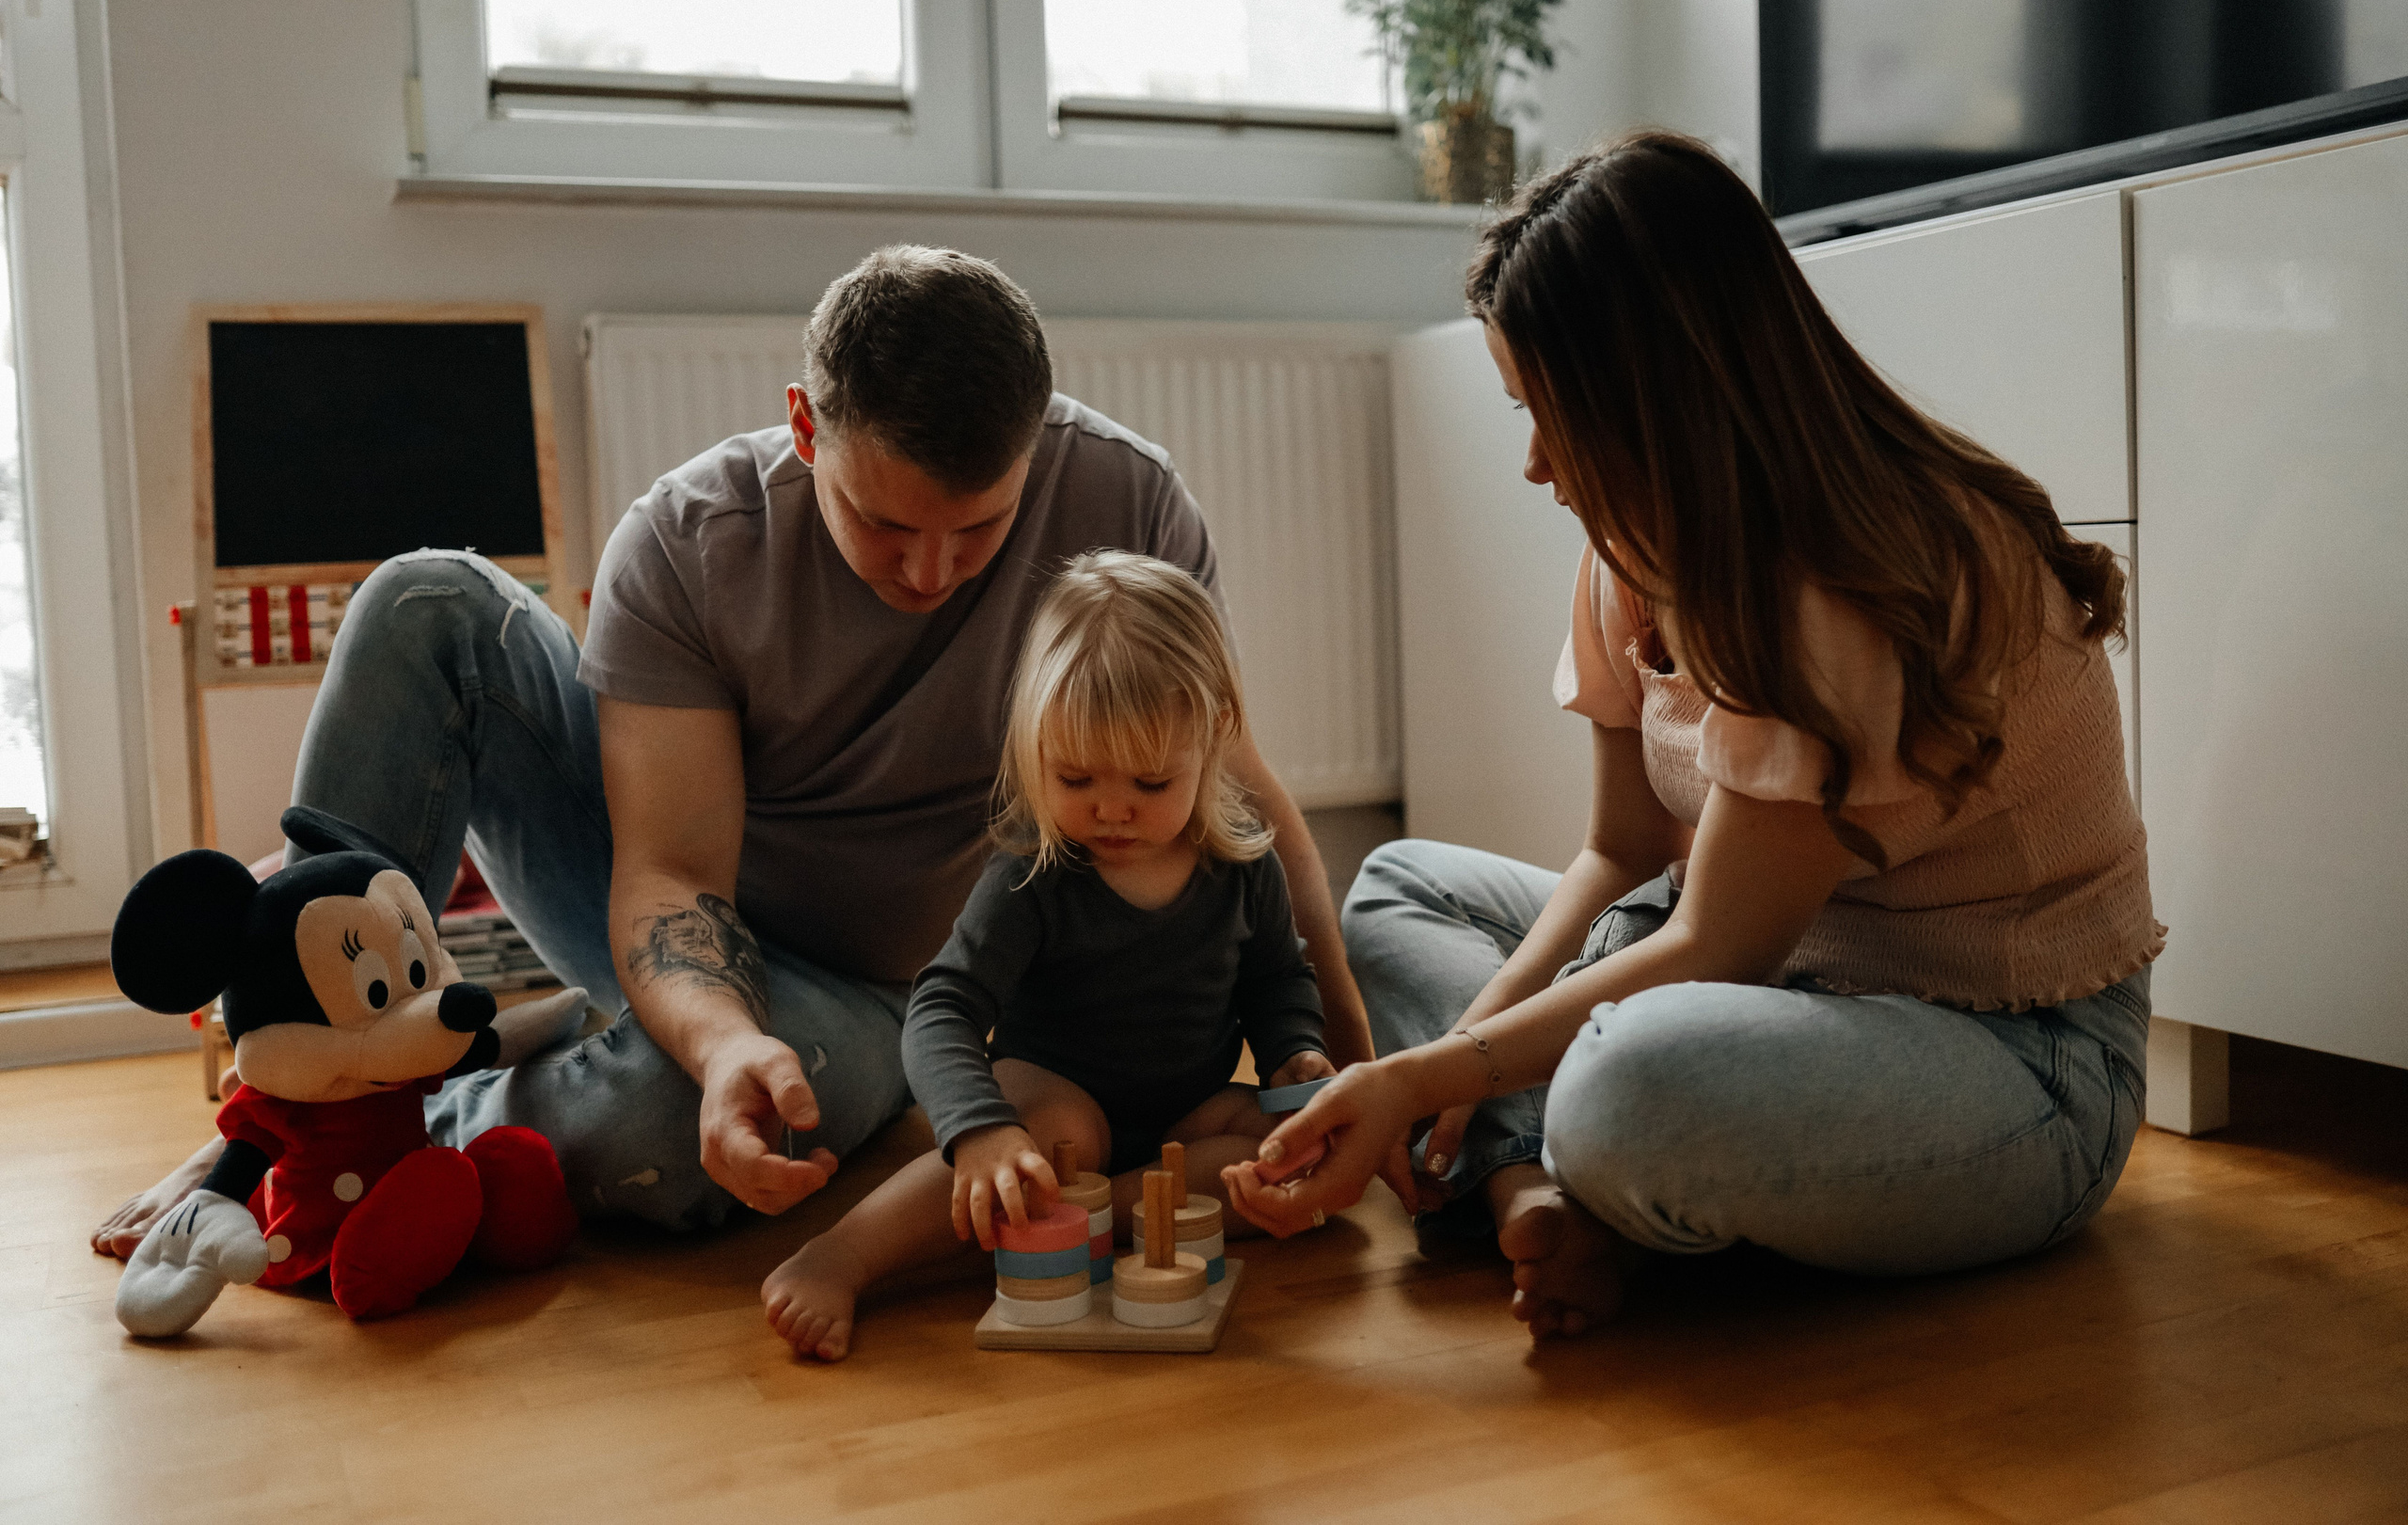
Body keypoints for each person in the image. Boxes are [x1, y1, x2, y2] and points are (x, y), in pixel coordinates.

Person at [95, 246, 1371, 1256]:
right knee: (426, 598)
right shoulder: (691, 539)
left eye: (978, 532)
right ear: (805, 426)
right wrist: (718, 1038)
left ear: (1033, 454)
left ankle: (414, 1115)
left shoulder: (1129, 502)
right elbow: (668, 877)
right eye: (885, 524)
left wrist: (1363, 1074)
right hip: (684, 905)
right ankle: (284, 1122)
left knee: (670, 1134)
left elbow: (1234, 787)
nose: (929, 572)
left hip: (874, 993)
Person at [1225, 132, 2163, 1341]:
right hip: (1775, 979)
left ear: (1653, 396)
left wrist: (1424, 1076)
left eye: (1548, 414)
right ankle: (1530, 1184)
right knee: (1402, 889)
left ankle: (1556, 1164)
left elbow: (1714, 942)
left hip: (2012, 1056)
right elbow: (1621, 850)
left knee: (1634, 1079)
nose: (1531, 464)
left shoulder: (1846, 584)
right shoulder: (1632, 550)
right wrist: (1459, 1057)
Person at [762, 549, 1335, 1360]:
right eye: (1075, 775)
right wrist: (978, 1131)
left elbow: (1280, 979)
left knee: (1285, 1153)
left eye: (1148, 782)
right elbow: (942, 1009)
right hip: (1054, 1100)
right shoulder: (1033, 876)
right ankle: (842, 1255)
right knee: (1048, 1133)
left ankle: (1106, 1211)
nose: (1111, 807)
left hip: (1187, 1109)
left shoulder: (1245, 868)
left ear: (1212, 742)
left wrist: (1295, 1051)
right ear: (1034, 745)